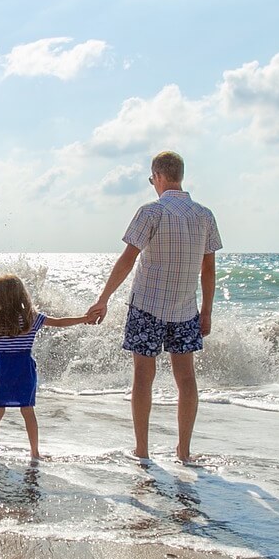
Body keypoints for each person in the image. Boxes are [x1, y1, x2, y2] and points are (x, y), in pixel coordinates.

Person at [85, 151, 222, 464]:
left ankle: (143, 450)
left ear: (158, 176)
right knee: (186, 379)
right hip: (186, 309)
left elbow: (127, 259)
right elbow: (209, 270)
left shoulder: (151, 212)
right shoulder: (204, 215)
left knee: (143, 379)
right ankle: (183, 451)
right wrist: (208, 311)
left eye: (151, 179)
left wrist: (103, 298)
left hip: (147, 306)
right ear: (180, 176)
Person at [0, 274, 89, 459]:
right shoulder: (31, 318)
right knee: (27, 411)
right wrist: (84, 318)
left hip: (2, 369)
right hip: (23, 369)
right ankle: (35, 453)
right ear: (21, 295)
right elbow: (59, 322)